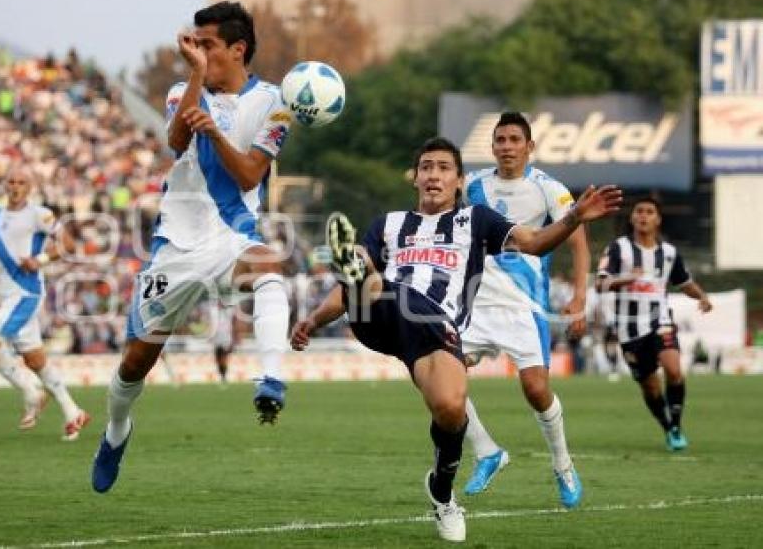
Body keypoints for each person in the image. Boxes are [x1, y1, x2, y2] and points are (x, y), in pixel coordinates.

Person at [290, 137, 620, 542]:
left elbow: (533, 243)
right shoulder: (388, 224)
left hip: (437, 330)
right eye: (426, 167)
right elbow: (346, 294)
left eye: (444, 168)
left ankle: (442, 494)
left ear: (459, 181)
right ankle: (359, 267)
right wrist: (315, 318)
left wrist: (574, 220)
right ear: (416, 179)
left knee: (450, 410)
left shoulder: (477, 220)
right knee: (374, 281)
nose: (433, 174)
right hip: (383, 313)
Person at [92, 1, 294, 493]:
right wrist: (199, 79)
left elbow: (249, 173)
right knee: (135, 363)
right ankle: (117, 428)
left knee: (270, 267)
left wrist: (218, 134)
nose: (197, 51)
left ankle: (271, 379)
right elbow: (177, 142)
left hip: (232, 235)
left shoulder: (275, 103)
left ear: (237, 48)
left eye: (207, 45)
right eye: (194, 44)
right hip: (175, 246)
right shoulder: (184, 90)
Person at [459, 112, 588, 507]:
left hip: (524, 302)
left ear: (529, 147)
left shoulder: (548, 188)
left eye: (515, 140)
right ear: (493, 146)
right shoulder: (474, 185)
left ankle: (563, 465)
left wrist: (580, 296)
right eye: (501, 140)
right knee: (439, 378)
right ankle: (486, 451)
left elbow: (578, 240)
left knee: (535, 390)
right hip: (476, 300)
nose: (507, 147)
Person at [0, 169, 90, 440]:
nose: (15, 186)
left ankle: (31, 391)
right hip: (7, 294)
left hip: (26, 292)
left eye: (21, 182)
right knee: (35, 359)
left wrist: (41, 260)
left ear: (30, 187)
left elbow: (68, 243)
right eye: (11, 181)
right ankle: (74, 412)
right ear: (5, 185)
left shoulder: (40, 214)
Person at [596, 197, 712, 451]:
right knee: (650, 385)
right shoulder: (617, 249)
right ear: (632, 218)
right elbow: (600, 283)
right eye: (639, 211)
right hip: (629, 328)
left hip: (661, 320)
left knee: (673, 369)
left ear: (658, 219)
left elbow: (684, 282)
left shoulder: (669, 253)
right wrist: (625, 279)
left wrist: (702, 296)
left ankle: (676, 426)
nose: (643, 216)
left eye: (649, 212)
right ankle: (666, 425)